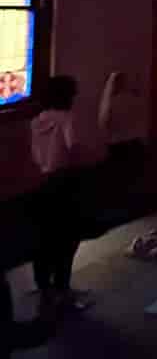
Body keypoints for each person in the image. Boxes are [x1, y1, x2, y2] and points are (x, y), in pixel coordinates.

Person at [30, 75, 91, 313]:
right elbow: (73, 146)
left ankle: (44, 287)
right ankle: (62, 288)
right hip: (64, 182)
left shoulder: (36, 121)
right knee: (68, 237)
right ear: (67, 96)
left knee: (44, 237)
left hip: (40, 183)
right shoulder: (67, 119)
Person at [98, 71, 146, 172]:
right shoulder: (134, 99)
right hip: (135, 144)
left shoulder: (109, 103)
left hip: (117, 146)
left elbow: (103, 125)